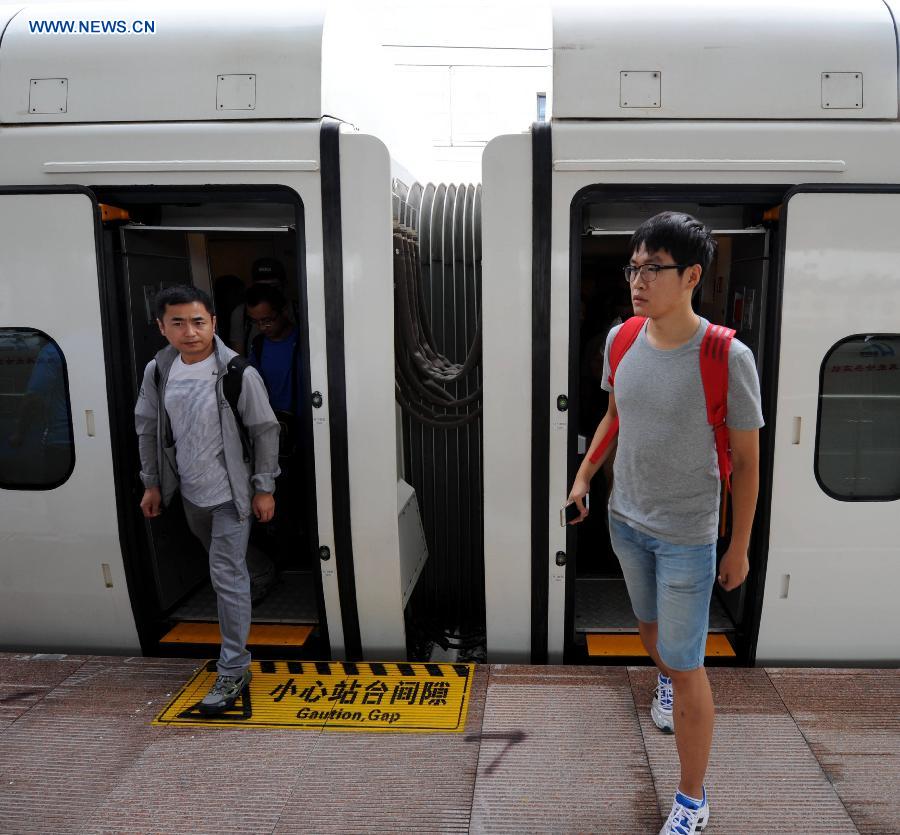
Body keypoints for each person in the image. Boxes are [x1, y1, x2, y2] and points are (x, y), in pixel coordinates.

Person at [567, 212, 763, 835]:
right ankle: (667, 682)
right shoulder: (622, 339)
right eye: (634, 267)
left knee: (687, 661)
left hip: (687, 536)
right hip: (627, 523)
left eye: (654, 268)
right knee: (652, 633)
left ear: (692, 276)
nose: (638, 280)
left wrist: (740, 547)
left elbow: (750, 466)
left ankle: (692, 799)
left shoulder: (725, 355)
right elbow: (615, 415)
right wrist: (582, 478)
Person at [135, 285, 280, 713]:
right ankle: (264, 570)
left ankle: (233, 668)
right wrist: (152, 483)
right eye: (177, 322)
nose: (190, 331)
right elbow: (147, 428)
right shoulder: (159, 371)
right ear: (162, 327)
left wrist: (264, 487)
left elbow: (264, 430)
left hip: (231, 494)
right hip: (191, 493)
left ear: (213, 323)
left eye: (198, 321)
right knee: (224, 560)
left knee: (224, 574)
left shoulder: (237, 372)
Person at [244, 283, 304, 565]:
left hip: (305, 433)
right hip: (272, 434)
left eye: (267, 319)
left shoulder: (305, 340)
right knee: (282, 499)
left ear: (283, 313)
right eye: (256, 321)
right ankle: (286, 556)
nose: (262, 327)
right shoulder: (257, 345)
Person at [229, 257, 296, 355]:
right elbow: (238, 359)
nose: (267, 293)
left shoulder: (299, 311)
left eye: (273, 287)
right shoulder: (241, 313)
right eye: (260, 287)